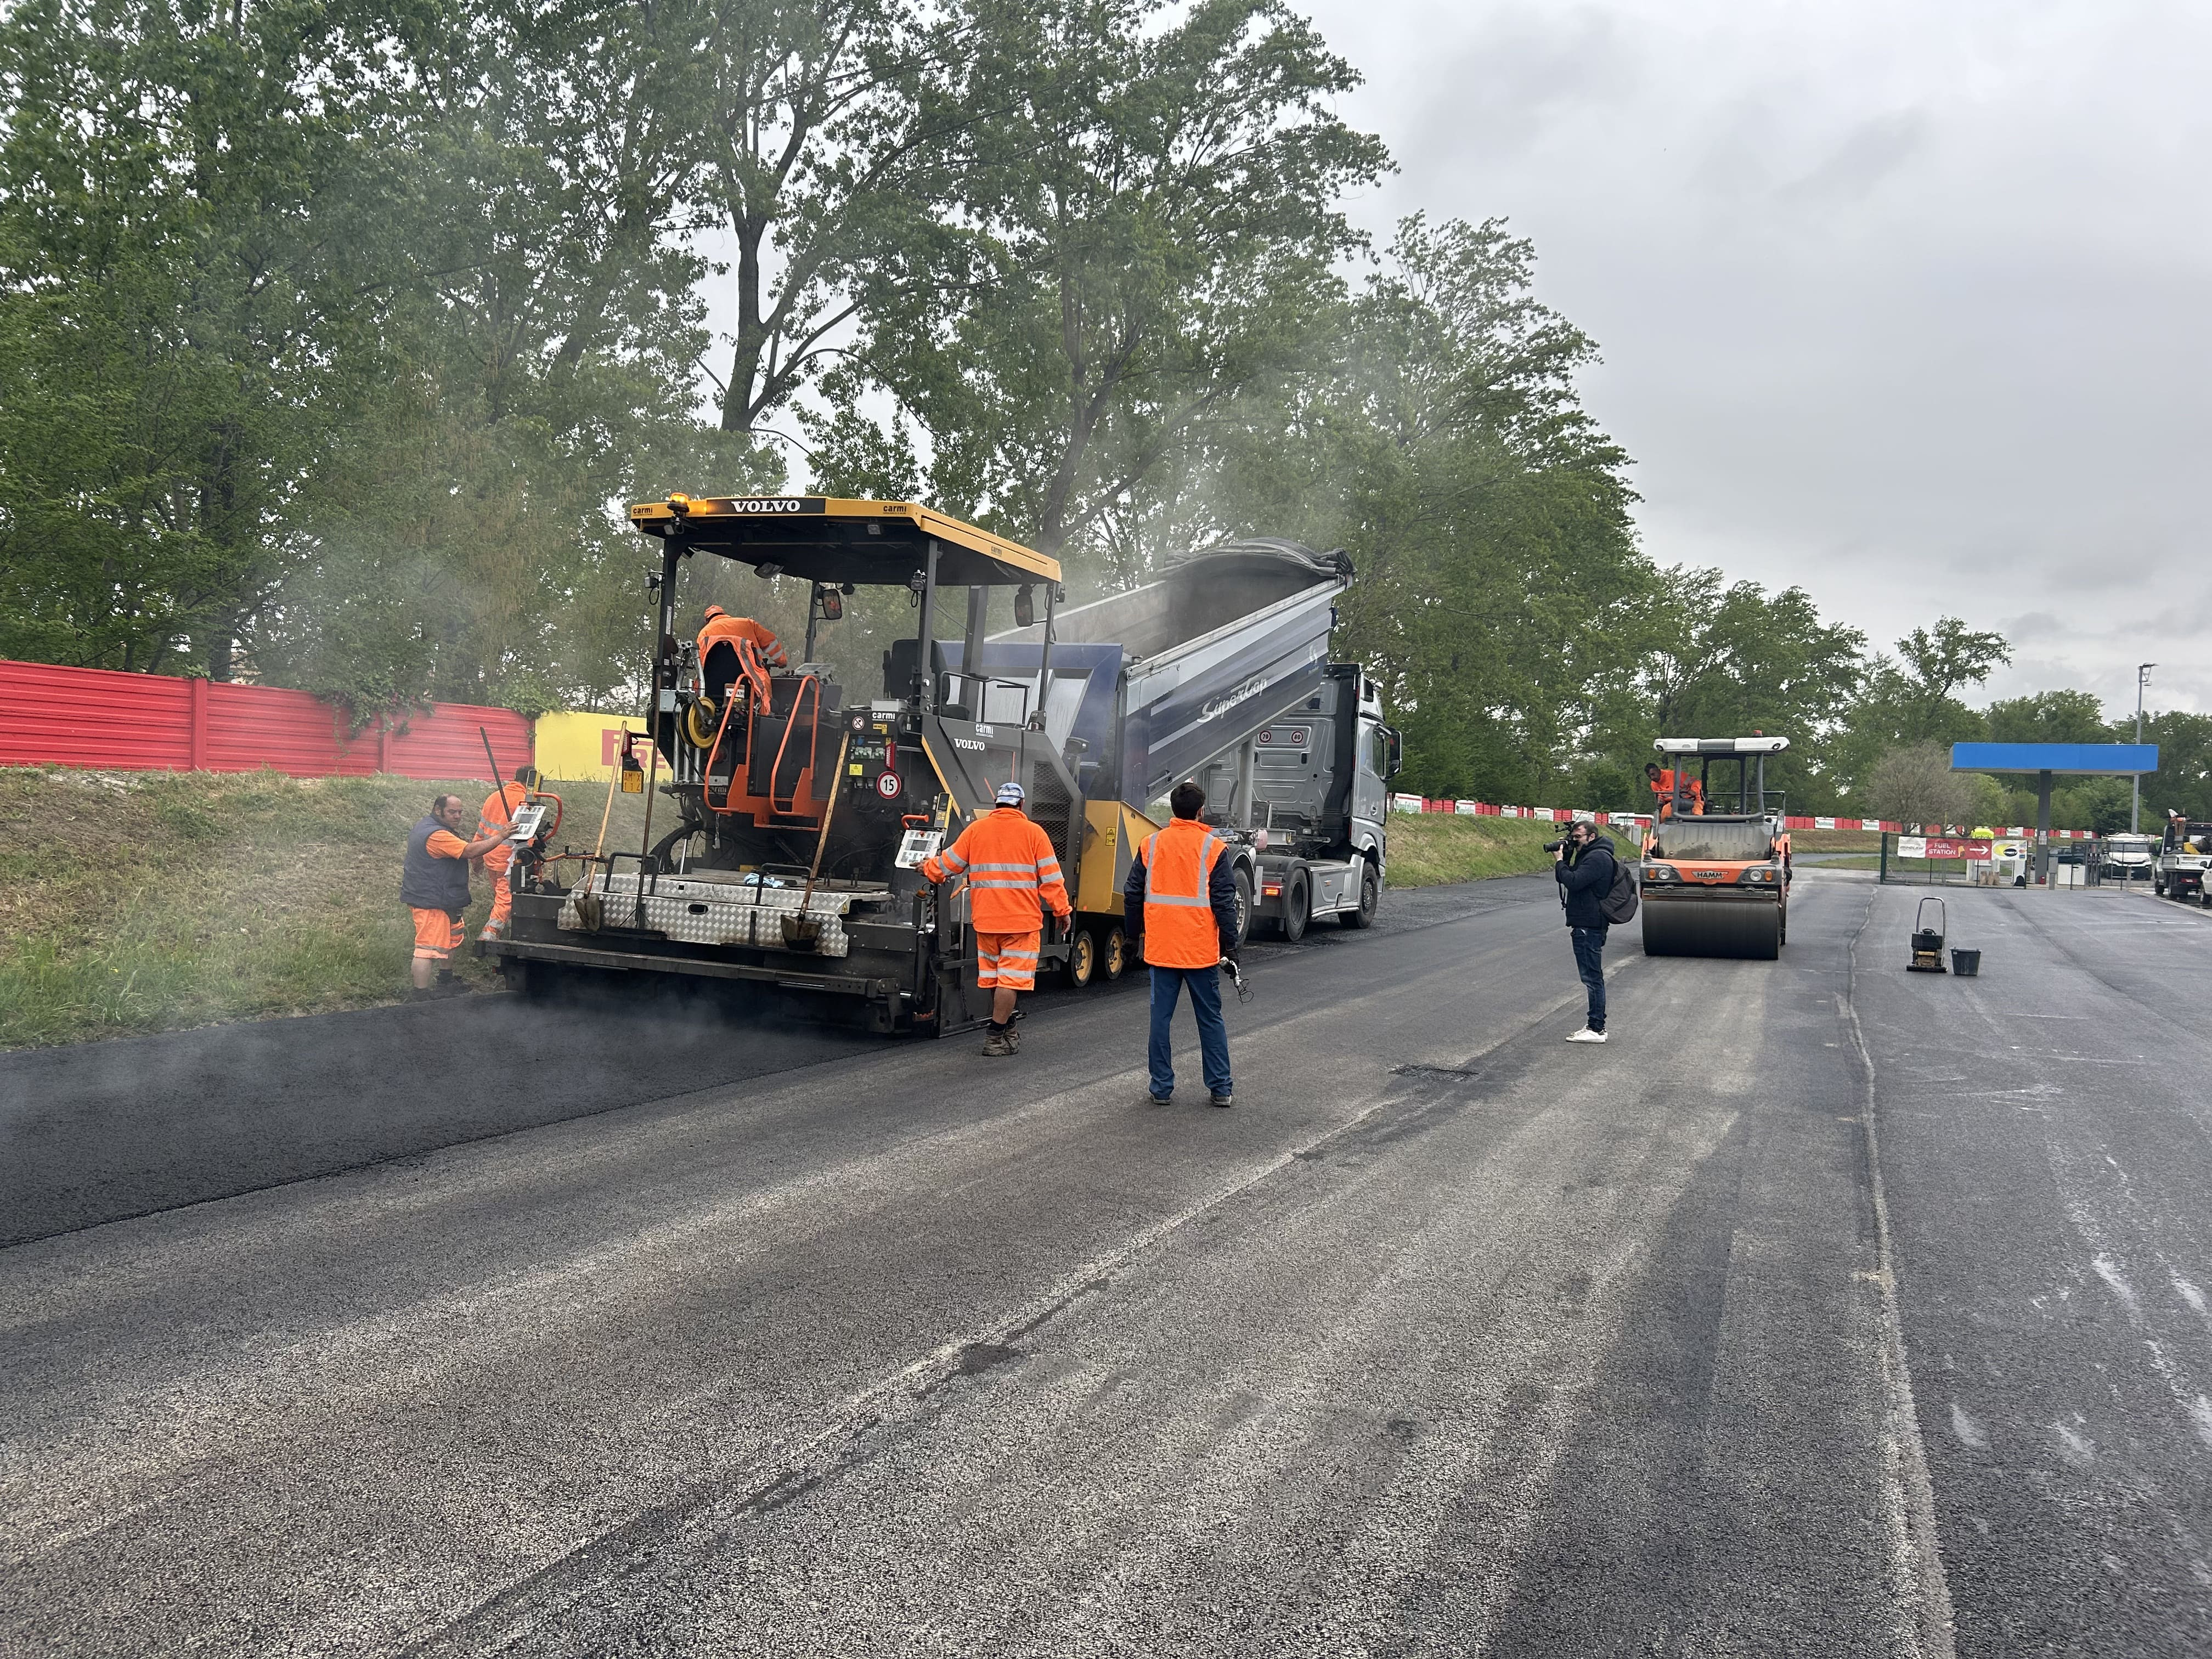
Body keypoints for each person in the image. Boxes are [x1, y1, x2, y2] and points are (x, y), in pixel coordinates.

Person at [921, 780, 1073, 1055]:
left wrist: (926, 868)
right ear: (1021, 805)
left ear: (997, 805)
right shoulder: (1035, 833)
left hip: (986, 921)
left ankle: (1008, 1026)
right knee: (1010, 981)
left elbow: (947, 865)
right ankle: (994, 1038)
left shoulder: (976, 831)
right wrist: (1062, 911)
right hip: (1021, 924)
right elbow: (1052, 880)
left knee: (996, 980)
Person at [1125, 780, 1241, 1107]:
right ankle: (1220, 1088)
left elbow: (1133, 893)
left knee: (1160, 1019)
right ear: (1200, 811)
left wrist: (1133, 937)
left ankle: (1161, 1088)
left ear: (1173, 810)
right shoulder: (1213, 848)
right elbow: (1224, 900)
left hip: (1162, 948)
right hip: (1200, 950)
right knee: (1210, 1018)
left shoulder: (1151, 844)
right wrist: (1229, 945)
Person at [403, 794, 512, 998]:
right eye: (452, 812)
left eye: (460, 812)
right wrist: (501, 836)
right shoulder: (437, 835)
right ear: (438, 810)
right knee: (426, 949)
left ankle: (445, 982)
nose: (457, 816)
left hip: (444, 897)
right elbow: (469, 851)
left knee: (451, 940)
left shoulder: (429, 827)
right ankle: (420, 995)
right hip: (431, 900)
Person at [1554, 819, 1617, 1043]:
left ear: (1592, 836)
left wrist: (1560, 860)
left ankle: (1596, 1028)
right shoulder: (1590, 855)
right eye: (1573, 836)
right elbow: (1565, 877)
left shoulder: (1597, 858)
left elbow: (1573, 881)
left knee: (1592, 978)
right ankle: (1595, 1026)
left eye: (1578, 837)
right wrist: (1567, 859)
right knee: (1591, 977)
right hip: (1586, 923)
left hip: (1589, 925)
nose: (1574, 840)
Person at [476, 765, 542, 943]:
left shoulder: (494, 797)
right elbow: (530, 839)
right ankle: (488, 937)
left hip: (490, 855)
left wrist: (476, 859)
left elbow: (481, 833)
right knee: (505, 900)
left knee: (502, 898)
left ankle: (514, 932)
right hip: (511, 860)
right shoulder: (526, 802)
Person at [697, 605, 787, 708]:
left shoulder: (704, 633)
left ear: (707, 620)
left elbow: (701, 663)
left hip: (712, 692)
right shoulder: (748, 624)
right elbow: (771, 642)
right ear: (725, 615)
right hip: (748, 686)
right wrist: (782, 662)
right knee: (771, 705)